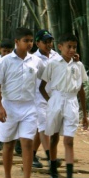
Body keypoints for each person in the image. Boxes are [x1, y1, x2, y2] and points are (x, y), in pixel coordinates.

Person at [0, 27, 44, 178]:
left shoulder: (35, 61)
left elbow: (44, 79)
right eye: (25, 40)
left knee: (27, 142)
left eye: (31, 41)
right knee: (8, 143)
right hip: (9, 106)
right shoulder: (5, 61)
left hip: (29, 106)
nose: (29, 44)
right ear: (17, 41)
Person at [39, 33, 88, 178]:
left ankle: (69, 177)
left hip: (72, 102)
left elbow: (81, 90)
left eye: (74, 47)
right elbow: (42, 87)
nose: (72, 50)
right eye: (69, 46)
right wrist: (51, 101)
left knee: (69, 140)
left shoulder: (78, 65)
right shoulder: (53, 64)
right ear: (60, 47)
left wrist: (85, 115)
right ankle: (53, 175)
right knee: (53, 138)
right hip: (56, 99)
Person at [32, 30, 61, 168]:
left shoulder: (56, 56)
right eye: (45, 42)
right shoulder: (33, 59)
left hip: (53, 95)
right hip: (38, 96)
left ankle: (31, 155)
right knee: (44, 125)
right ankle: (50, 157)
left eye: (50, 41)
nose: (49, 44)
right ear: (37, 43)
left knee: (43, 127)